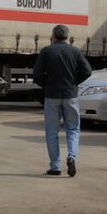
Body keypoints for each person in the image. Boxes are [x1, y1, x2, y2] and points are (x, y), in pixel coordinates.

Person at [32, 24, 92, 177]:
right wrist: (74, 82)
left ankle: (55, 166)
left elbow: (37, 74)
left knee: (52, 131)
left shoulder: (46, 51)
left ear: (54, 36)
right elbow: (87, 71)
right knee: (73, 129)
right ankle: (71, 157)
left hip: (52, 96)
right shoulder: (75, 51)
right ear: (67, 36)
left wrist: (46, 84)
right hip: (70, 95)